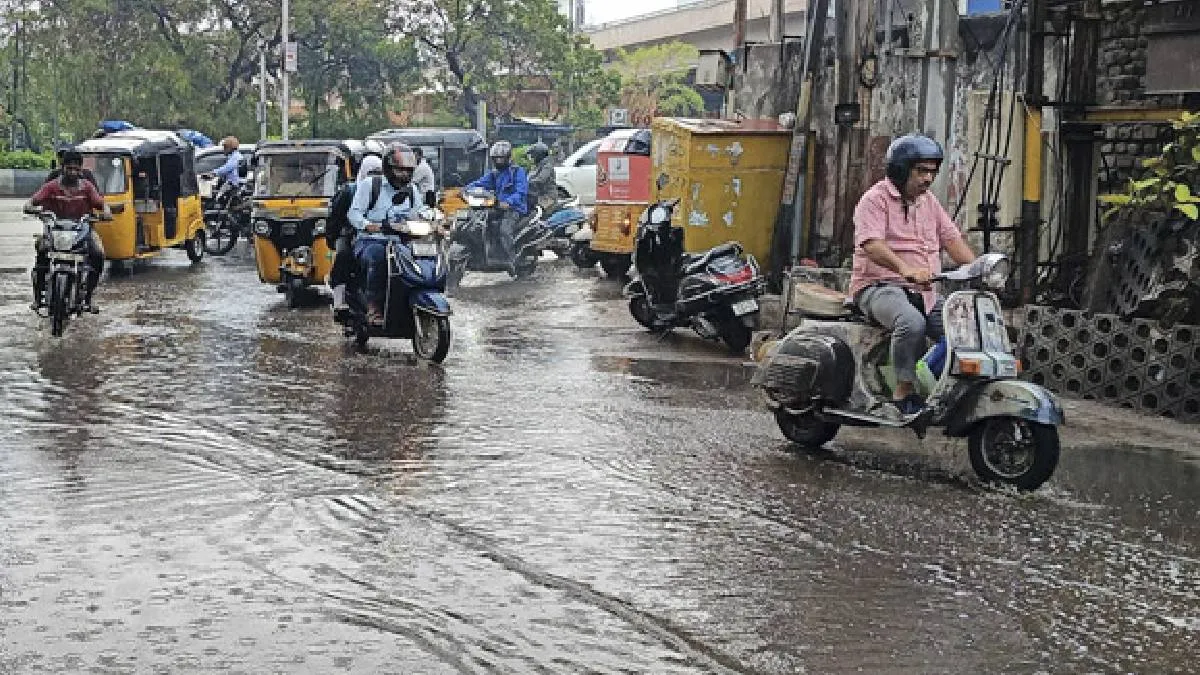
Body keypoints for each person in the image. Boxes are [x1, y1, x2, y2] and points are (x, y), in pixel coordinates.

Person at [848, 133, 976, 416]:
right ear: (901, 169)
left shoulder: (928, 202)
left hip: (926, 292)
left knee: (965, 330)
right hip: (878, 287)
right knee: (911, 322)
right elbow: (871, 244)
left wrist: (979, 269)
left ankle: (940, 388)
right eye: (921, 171)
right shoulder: (875, 200)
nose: (928, 178)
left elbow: (951, 239)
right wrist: (904, 269)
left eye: (932, 171)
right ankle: (903, 391)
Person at [25, 149, 112, 313]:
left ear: (81, 170)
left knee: (98, 254)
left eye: (76, 169)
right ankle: (38, 298)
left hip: (81, 230)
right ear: (62, 167)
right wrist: (32, 209)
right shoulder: (51, 186)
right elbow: (32, 201)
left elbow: (101, 203)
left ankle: (87, 299)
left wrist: (106, 212)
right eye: (69, 168)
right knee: (41, 252)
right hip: (55, 231)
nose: (73, 172)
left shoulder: (87, 187)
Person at [347, 142, 421, 325]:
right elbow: (354, 213)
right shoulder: (371, 185)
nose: (405, 174)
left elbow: (420, 211)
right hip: (372, 240)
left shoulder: (412, 190)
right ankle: (374, 306)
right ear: (388, 168)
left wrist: (436, 221)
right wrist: (368, 225)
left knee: (424, 258)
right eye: (400, 170)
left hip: (402, 241)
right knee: (379, 258)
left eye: (408, 170)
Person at [328, 154, 384, 314]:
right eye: (372, 172)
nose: (375, 177)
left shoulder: (388, 190)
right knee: (344, 256)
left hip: (380, 235)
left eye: (379, 172)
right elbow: (336, 217)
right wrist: (333, 237)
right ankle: (339, 299)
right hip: (350, 234)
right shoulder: (349, 190)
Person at [466, 140, 528, 271]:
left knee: (504, 230)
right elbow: (480, 183)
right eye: (496, 159)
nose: (499, 161)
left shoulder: (518, 172)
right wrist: (464, 190)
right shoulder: (494, 174)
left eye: (502, 158)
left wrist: (509, 202)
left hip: (514, 208)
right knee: (477, 222)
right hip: (497, 206)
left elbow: (521, 192)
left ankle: (511, 260)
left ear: (508, 158)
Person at [526, 141, 557, 214]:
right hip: (536, 195)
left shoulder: (547, 166)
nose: (531, 157)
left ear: (539, 155)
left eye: (533, 155)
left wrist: (526, 184)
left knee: (534, 214)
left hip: (547, 197)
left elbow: (540, 180)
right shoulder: (536, 166)